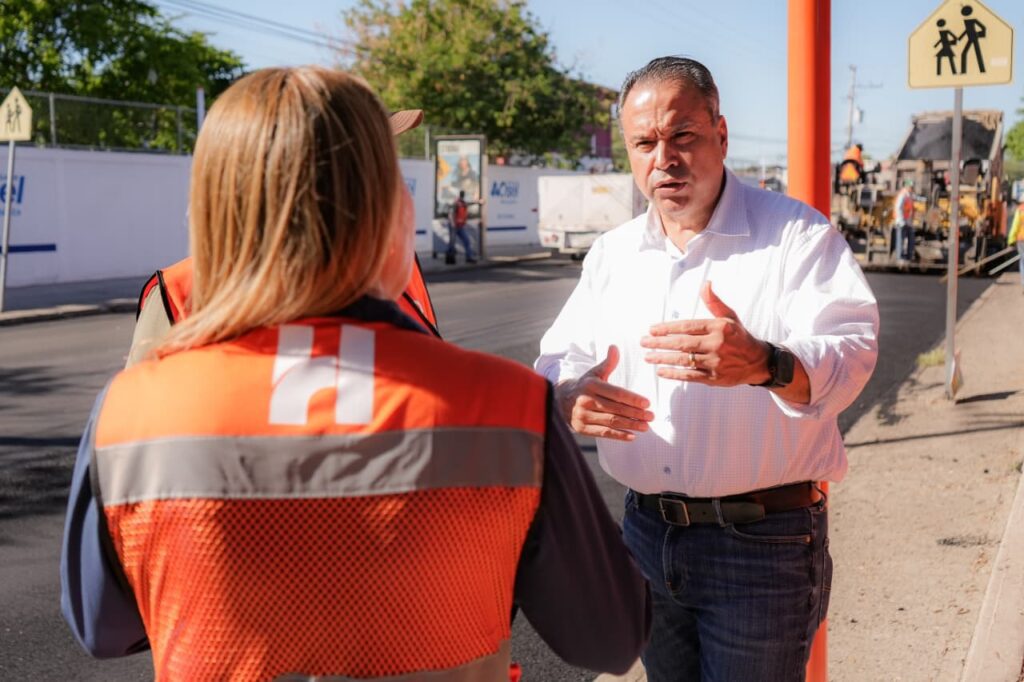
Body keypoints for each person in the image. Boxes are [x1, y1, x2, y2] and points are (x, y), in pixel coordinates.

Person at [61, 66, 650, 680]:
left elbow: (104, 629)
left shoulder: (126, 414)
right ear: (389, 209)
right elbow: (608, 639)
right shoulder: (509, 410)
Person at [535, 56, 879, 681]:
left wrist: (767, 363)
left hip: (762, 548)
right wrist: (568, 396)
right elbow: (560, 358)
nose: (663, 158)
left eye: (682, 136)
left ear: (721, 135)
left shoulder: (796, 236)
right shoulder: (613, 256)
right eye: (644, 142)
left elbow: (852, 348)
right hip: (644, 534)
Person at [125, 110, 440, 367]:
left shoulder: (399, 265)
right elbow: (140, 428)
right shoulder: (181, 292)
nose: (387, 181)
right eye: (358, 164)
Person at [446, 189, 477, 264]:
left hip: (460, 226)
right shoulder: (456, 203)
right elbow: (451, 214)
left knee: (466, 240)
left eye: (463, 194)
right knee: (452, 243)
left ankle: (469, 257)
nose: (462, 196)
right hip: (454, 226)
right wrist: (453, 224)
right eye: (461, 194)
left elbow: (469, 204)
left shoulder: (463, 203)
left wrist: (478, 202)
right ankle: (450, 259)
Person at [893, 178, 916, 265]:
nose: (912, 188)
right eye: (910, 186)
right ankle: (900, 257)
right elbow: (898, 207)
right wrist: (901, 220)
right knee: (900, 239)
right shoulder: (903, 195)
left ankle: (909, 256)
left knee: (910, 238)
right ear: (907, 186)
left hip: (907, 222)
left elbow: (910, 209)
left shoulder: (909, 195)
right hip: (901, 222)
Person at [1008, 201, 1024, 293]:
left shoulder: (1020, 209)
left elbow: (1015, 226)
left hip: (1022, 239)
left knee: (1023, 261)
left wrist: (1011, 240)